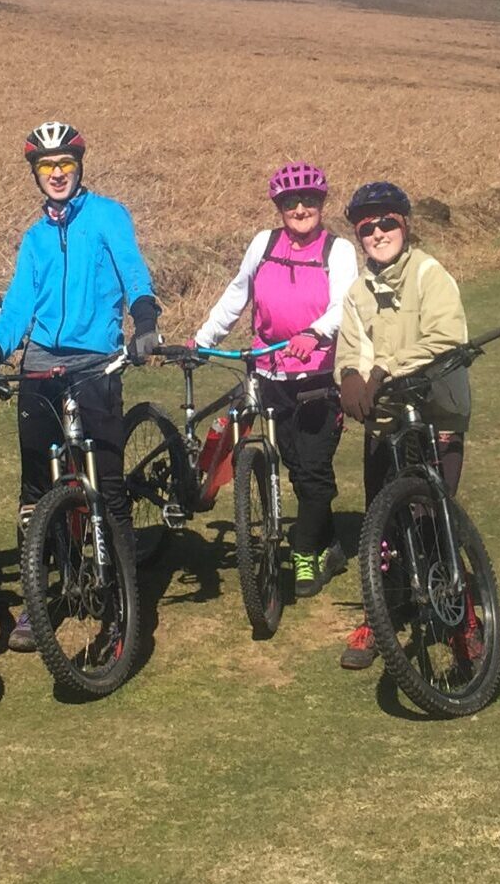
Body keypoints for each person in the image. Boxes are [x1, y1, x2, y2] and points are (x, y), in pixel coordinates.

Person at [0, 123, 163, 651]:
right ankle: (40, 597)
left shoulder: (106, 216)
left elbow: (133, 273)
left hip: (96, 359)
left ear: (79, 167)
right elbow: (17, 310)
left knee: (108, 486)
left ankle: (125, 604)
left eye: (65, 165)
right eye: (46, 167)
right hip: (40, 364)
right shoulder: (33, 238)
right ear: (36, 173)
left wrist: (144, 319)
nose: (56, 174)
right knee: (36, 489)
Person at [191, 162, 358, 596]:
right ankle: (327, 543)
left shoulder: (336, 250)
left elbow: (346, 304)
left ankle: (304, 552)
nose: (300, 208)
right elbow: (237, 293)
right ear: (279, 207)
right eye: (290, 202)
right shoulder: (263, 244)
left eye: (309, 200)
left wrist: (313, 333)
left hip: (320, 375)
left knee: (314, 467)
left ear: (322, 203)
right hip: (270, 372)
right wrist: (203, 339)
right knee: (293, 464)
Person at [333, 180, 470, 671]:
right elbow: (351, 347)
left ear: (405, 225)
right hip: (387, 421)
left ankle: (463, 623)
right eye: (366, 227)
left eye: (387, 222)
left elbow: (446, 338)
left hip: (437, 413)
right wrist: (348, 375)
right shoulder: (356, 291)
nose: (377, 233)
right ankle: (381, 613)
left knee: (438, 521)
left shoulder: (431, 275)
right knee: (381, 523)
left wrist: (382, 370)